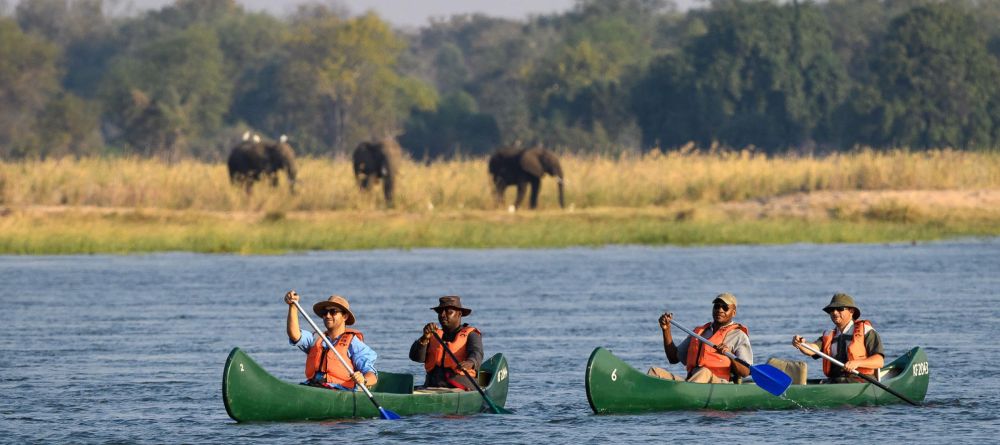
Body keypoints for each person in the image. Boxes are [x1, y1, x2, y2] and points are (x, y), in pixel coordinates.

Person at [648, 293, 753, 383]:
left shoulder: (739, 335)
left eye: (725, 307)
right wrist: (666, 330)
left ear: (733, 312)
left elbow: (746, 372)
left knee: (704, 372)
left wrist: (730, 355)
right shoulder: (699, 332)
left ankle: (683, 395)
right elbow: (673, 358)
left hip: (718, 384)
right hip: (692, 382)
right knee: (654, 372)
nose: (720, 310)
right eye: (717, 306)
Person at [284, 291, 378, 390]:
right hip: (313, 386)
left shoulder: (353, 343)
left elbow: (372, 375)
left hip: (339, 391)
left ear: (345, 316)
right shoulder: (316, 338)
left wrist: (363, 379)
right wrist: (293, 306)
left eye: (333, 312)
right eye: (325, 312)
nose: (328, 316)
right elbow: (295, 335)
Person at [792, 293, 884, 383]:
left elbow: (879, 361)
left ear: (851, 311)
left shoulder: (866, 331)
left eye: (840, 309)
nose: (835, 312)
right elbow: (812, 349)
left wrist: (857, 363)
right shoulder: (829, 335)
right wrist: (801, 344)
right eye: (831, 310)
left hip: (861, 381)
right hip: (836, 381)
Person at [409, 296, 483, 390]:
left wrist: (470, 362)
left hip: (460, 386)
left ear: (459, 314)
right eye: (440, 312)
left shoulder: (471, 334)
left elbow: (477, 353)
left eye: (449, 312)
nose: (443, 315)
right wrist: (424, 338)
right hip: (432, 386)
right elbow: (416, 358)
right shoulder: (433, 334)